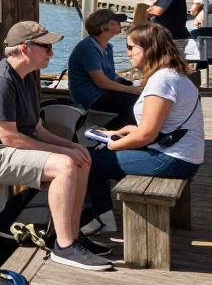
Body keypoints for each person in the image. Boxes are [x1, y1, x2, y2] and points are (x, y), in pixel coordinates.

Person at [0, 21, 112, 271]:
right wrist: (63, 153)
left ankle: (72, 236)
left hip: (13, 149)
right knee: (65, 165)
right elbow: (9, 139)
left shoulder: (26, 78)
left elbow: (38, 129)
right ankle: (64, 248)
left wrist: (71, 146)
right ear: (25, 48)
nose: (51, 53)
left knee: (81, 158)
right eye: (46, 47)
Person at [85, 23, 205, 234]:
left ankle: (102, 219)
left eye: (131, 47)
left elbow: (147, 134)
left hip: (172, 159)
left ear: (148, 49)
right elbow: (154, 127)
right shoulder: (171, 75)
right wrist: (117, 133)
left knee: (86, 162)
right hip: (180, 154)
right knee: (98, 156)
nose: (128, 52)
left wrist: (114, 145)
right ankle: (101, 214)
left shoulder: (162, 80)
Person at [68, 9, 140, 129]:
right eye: (115, 22)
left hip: (103, 93)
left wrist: (133, 84)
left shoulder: (107, 48)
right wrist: (131, 90)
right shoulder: (88, 47)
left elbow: (112, 77)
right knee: (136, 104)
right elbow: (101, 82)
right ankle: (105, 134)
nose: (119, 24)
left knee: (140, 100)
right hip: (91, 97)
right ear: (104, 26)